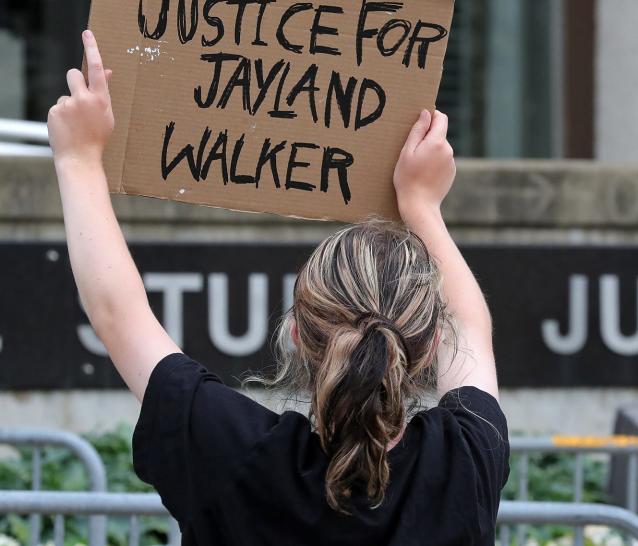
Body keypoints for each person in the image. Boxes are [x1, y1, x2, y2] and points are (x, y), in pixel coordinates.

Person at [47, 30, 509, 545]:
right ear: (433, 345)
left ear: (292, 333)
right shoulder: (466, 462)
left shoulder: (232, 454)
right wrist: (422, 206)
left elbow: (117, 313)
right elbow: (472, 326)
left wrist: (78, 158)